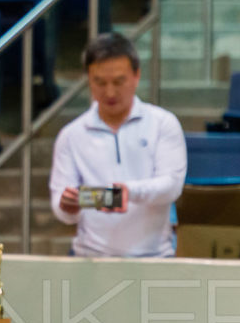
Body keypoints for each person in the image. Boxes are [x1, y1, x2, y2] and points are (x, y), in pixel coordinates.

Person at [49, 32, 187, 257]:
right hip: (90, 257)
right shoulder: (71, 135)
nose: (110, 92)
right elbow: (61, 203)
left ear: (136, 75)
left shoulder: (163, 124)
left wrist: (129, 191)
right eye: (100, 82)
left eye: (118, 81)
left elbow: (171, 185)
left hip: (154, 257)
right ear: (88, 79)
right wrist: (68, 206)